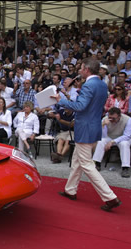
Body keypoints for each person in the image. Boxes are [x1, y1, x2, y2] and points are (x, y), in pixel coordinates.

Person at [52, 58, 121, 212]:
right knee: (77, 160)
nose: (79, 71)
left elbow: (80, 106)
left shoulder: (88, 85)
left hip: (85, 128)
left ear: (87, 69)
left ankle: (110, 197)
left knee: (87, 164)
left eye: (81, 68)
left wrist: (61, 100)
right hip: (93, 125)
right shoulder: (102, 84)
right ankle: (70, 190)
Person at [93, 107, 131, 178]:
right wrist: (103, 125)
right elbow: (104, 136)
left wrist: (112, 142)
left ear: (119, 116)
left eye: (114, 118)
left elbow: (127, 135)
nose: (111, 120)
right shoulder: (105, 119)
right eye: (110, 117)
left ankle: (125, 168)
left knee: (124, 144)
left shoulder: (128, 119)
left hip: (123, 138)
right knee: (101, 141)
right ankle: (97, 164)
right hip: (110, 136)